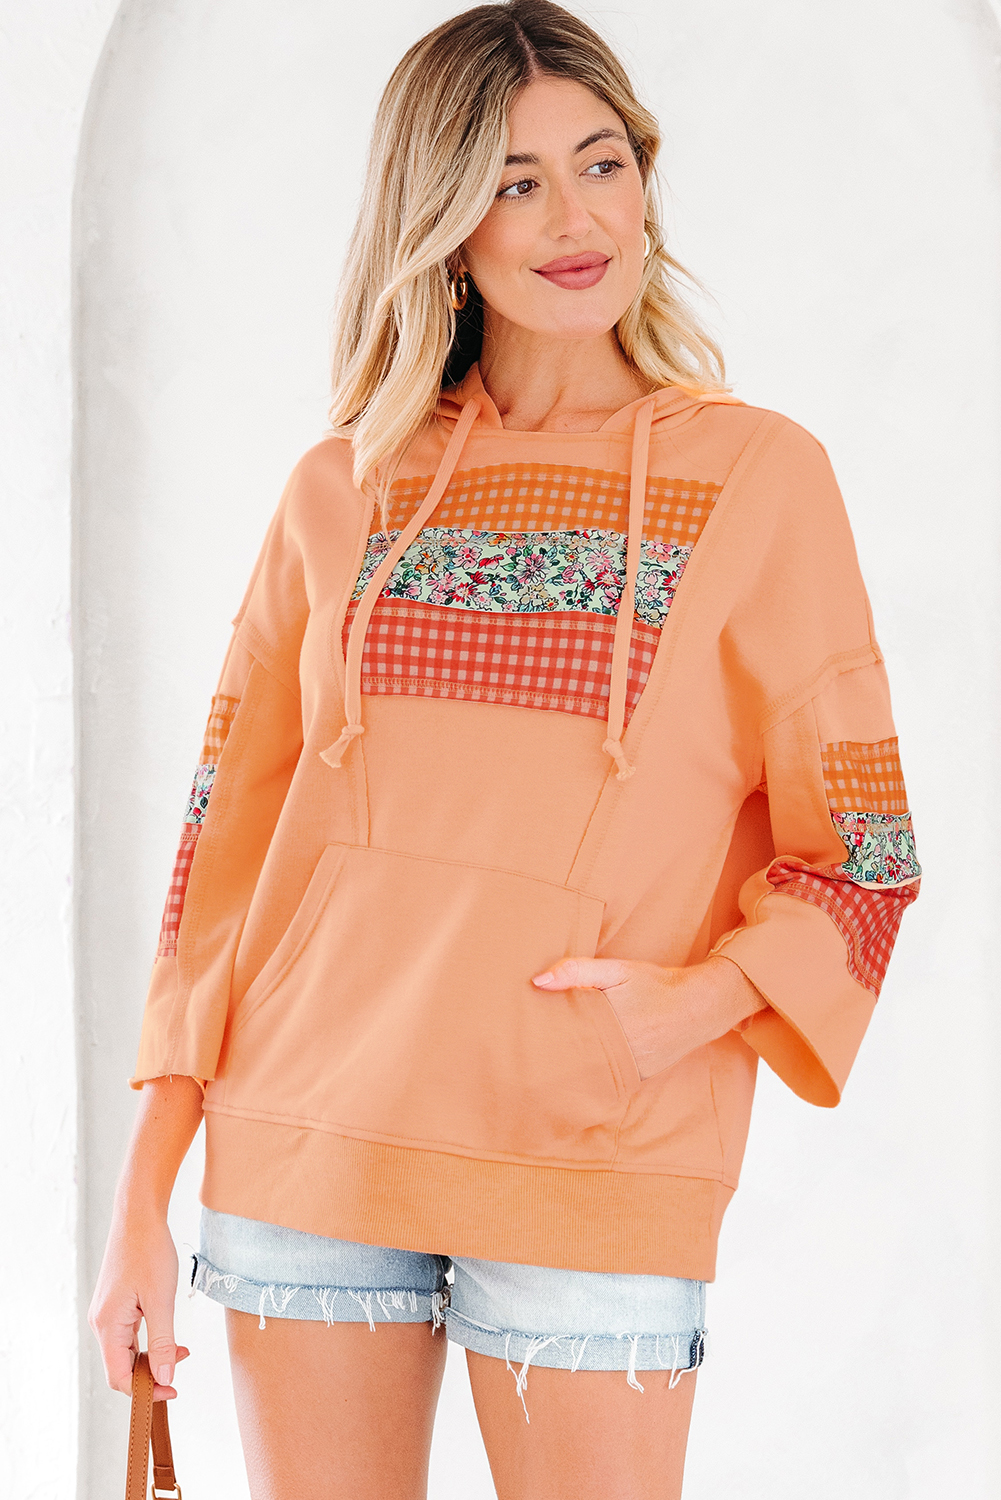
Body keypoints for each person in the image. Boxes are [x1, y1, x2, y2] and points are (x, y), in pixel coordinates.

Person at [89, 3, 921, 1496]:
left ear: (646, 179)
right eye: (515, 181)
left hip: (595, 1151)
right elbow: (220, 850)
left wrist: (692, 1008)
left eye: (601, 164)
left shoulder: (758, 479)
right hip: (309, 1145)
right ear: (444, 222)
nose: (574, 219)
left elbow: (862, 847)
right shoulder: (342, 489)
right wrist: (141, 1197)